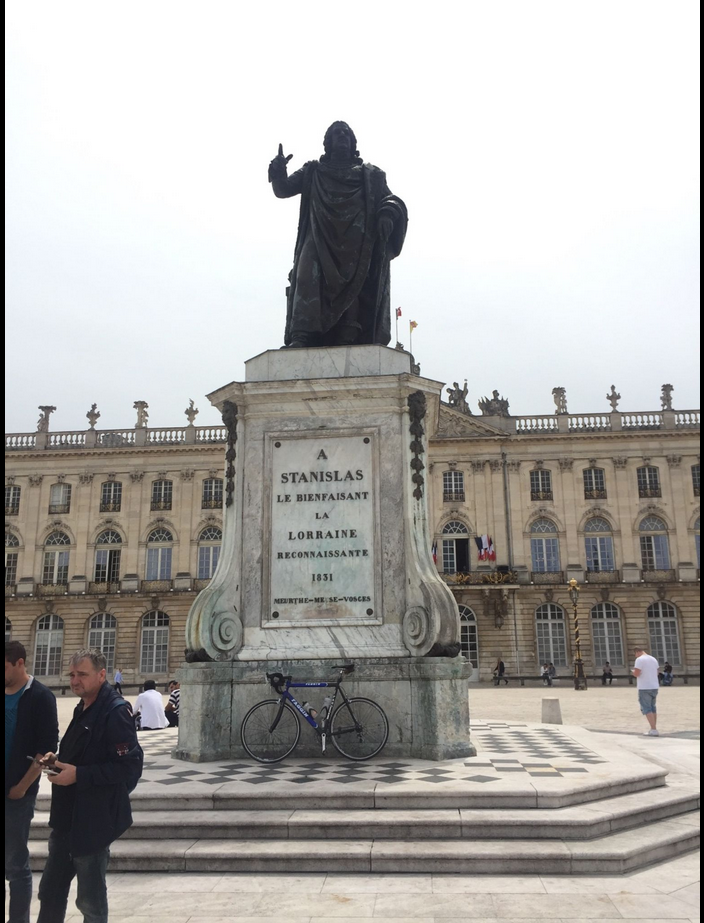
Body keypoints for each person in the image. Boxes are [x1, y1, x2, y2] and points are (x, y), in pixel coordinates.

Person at [269, 121, 408, 348]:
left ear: (353, 143)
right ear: (328, 143)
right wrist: (278, 170)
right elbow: (282, 189)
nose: (341, 136)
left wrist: (388, 213)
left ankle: (348, 333)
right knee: (305, 274)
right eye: (336, 133)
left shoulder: (370, 175)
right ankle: (301, 336)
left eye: (346, 133)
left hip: (357, 242)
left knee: (356, 282)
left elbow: (391, 200)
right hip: (318, 234)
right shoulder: (313, 171)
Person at [36, 649, 142, 923]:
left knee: (90, 902)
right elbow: (84, 754)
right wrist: (57, 761)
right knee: (49, 891)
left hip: (92, 823)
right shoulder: (83, 706)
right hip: (66, 819)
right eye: (72, 675)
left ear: (102, 675)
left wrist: (81, 776)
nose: (74, 681)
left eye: (82, 674)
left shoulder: (116, 711)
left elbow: (129, 767)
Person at [5, 641, 59, 923]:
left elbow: (47, 748)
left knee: (15, 865)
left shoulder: (40, 696)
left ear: (20, 663)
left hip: (17, 793)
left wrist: (23, 787)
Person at [632, 645, 661, 737]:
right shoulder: (653, 659)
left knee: (647, 708)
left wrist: (633, 672)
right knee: (653, 708)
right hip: (654, 686)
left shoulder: (639, 660)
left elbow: (636, 674)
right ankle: (653, 728)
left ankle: (653, 729)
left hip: (644, 687)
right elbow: (656, 673)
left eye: (635, 654)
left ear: (637, 652)